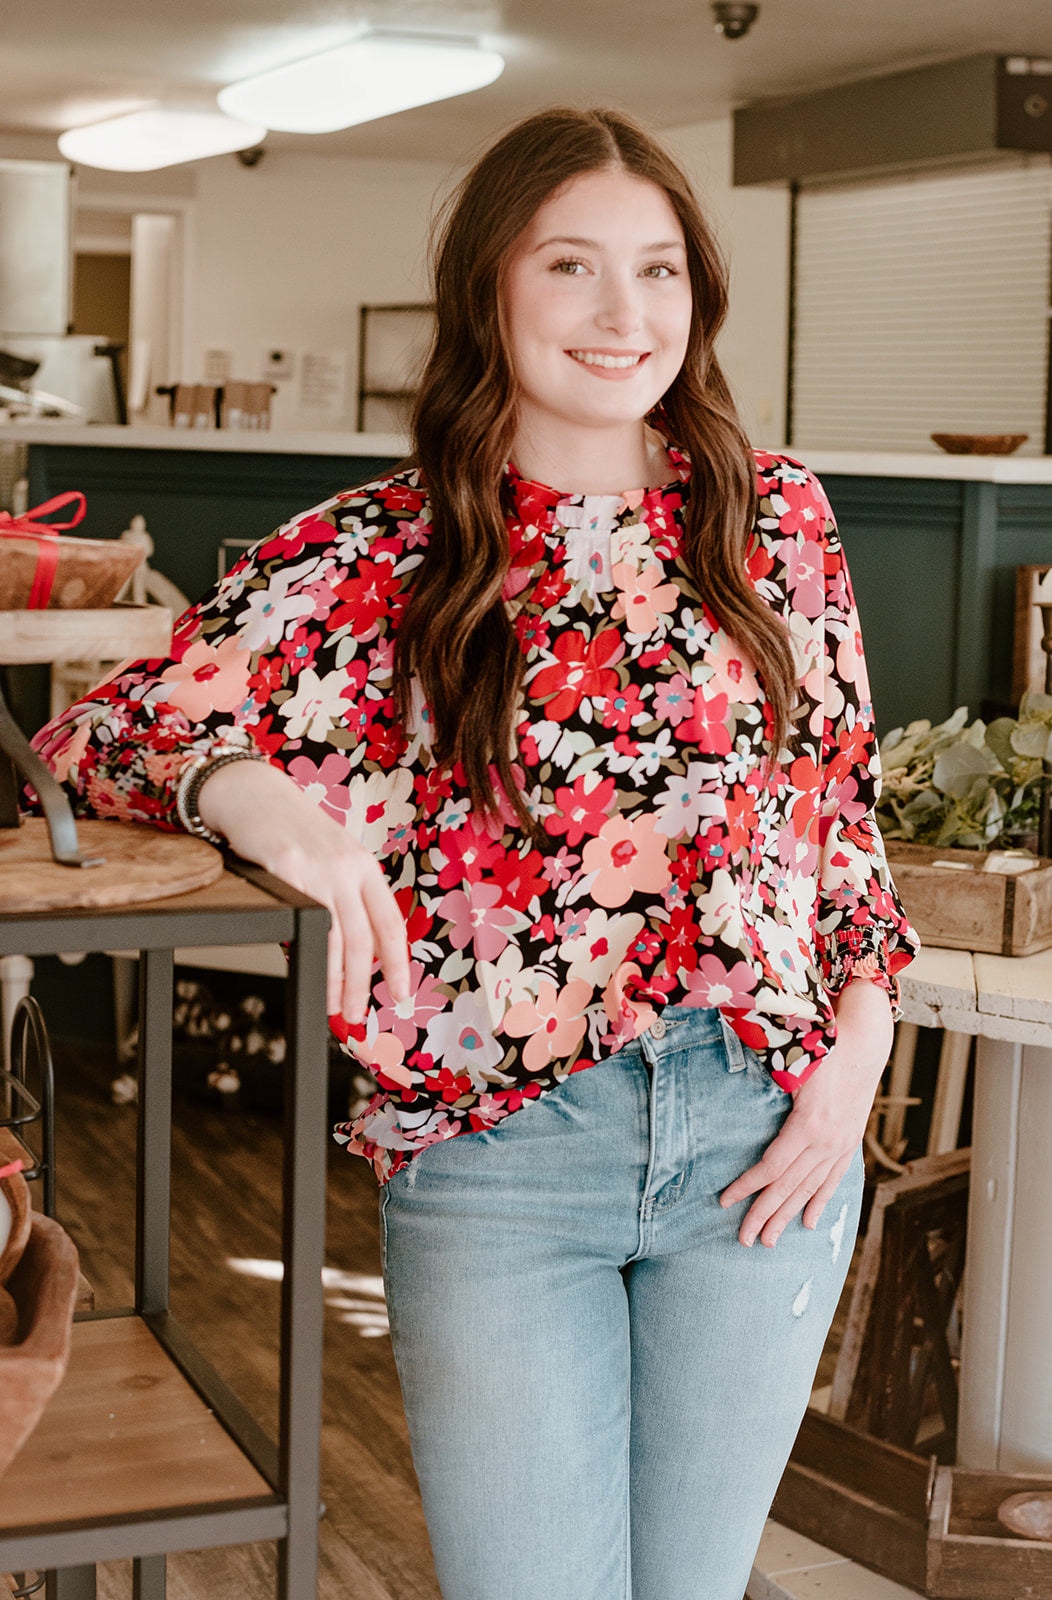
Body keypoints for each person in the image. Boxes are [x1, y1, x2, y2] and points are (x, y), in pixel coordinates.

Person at [36, 107, 918, 1600]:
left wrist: (859, 1061)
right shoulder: (383, 546)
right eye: (571, 264)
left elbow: (843, 821)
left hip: (764, 1138)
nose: (623, 311)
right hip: (499, 1158)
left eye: (657, 269)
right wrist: (262, 802)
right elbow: (102, 732)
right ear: (489, 289)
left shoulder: (777, 520)